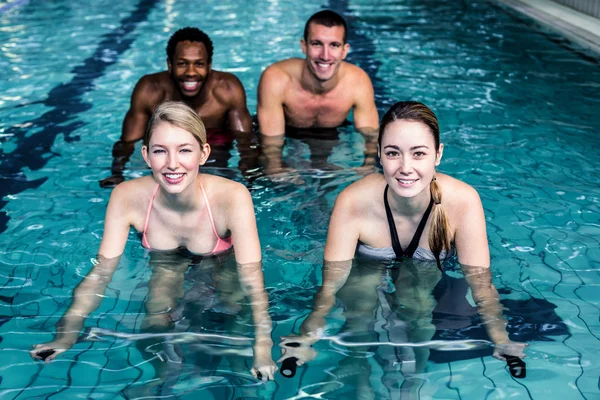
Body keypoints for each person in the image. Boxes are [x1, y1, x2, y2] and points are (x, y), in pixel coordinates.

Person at [32, 102, 277, 381]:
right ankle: (158, 384)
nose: (173, 163)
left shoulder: (232, 197)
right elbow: (101, 272)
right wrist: (67, 334)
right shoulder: (127, 197)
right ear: (146, 155)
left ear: (203, 153)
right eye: (161, 151)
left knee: (233, 314)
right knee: (154, 320)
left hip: (223, 261)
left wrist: (263, 347)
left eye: (185, 150)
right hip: (165, 260)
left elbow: (252, 277)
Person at [279, 101, 527, 376]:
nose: (405, 167)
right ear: (380, 156)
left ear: (438, 154)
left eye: (418, 153)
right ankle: (356, 371)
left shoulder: (463, 201)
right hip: (368, 265)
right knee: (359, 307)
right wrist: (307, 335)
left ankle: (417, 381)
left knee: (420, 307)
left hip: (427, 269)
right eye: (393, 153)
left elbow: (480, 281)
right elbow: (331, 284)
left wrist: (501, 338)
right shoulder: (353, 201)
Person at [99, 27, 253, 188]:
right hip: (165, 151)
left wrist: (249, 178)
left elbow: (245, 141)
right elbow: (128, 142)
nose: (191, 72)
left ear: (209, 65)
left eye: (199, 64)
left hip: (214, 149)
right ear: (170, 64)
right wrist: (117, 173)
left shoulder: (227, 88)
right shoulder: (150, 90)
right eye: (182, 64)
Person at [256, 10, 379, 174]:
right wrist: (276, 168)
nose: (325, 56)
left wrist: (367, 167)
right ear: (304, 46)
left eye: (334, 45)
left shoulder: (358, 81)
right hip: (289, 132)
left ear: (345, 50)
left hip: (333, 133)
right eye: (317, 44)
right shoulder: (276, 79)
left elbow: (370, 138)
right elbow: (271, 142)